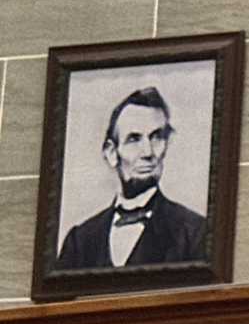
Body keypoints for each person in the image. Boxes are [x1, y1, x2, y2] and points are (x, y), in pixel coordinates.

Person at [52, 86, 208, 271]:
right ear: (111, 153)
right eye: (134, 139)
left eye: (156, 137)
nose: (148, 152)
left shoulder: (195, 232)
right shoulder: (80, 240)